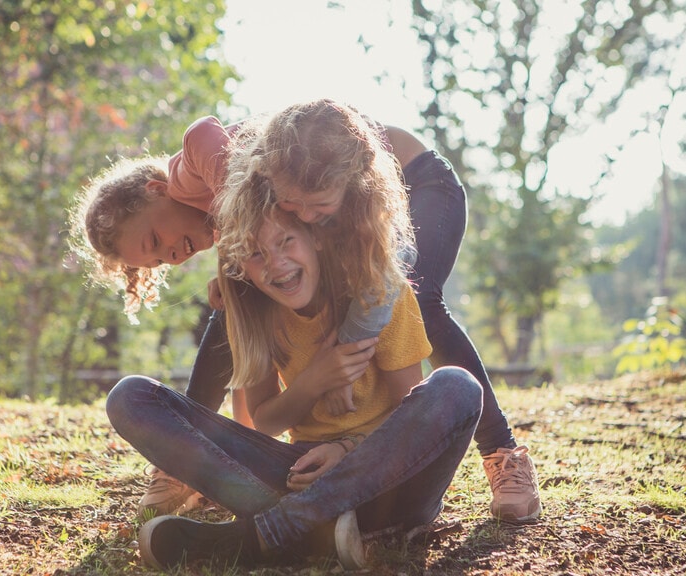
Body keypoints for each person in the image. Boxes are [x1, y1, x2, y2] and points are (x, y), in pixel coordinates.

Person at [71, 99, 540, 522]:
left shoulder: (195, 161)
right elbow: (254, 348)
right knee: (233, 309)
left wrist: (340, 363)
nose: (170, 257)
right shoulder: (266, 228)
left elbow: (211, 146)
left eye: (156, 240)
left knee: (416, 296)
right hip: (337, 202)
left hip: (414, 181)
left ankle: (503, 453)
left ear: (157, 190)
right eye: (155, 261)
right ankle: (185, 465)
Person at [104, 200, 483, 570]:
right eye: (255, 255)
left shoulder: (378, 293)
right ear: (242, 268)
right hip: (299, 473)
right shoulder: (256, 313)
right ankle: (317, 528)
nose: (276, 264)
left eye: (286, 242)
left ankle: (275, 530)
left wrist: (348, 449)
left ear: (316, 238)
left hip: (393, 486)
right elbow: (266, 420)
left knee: (457, 387)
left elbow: (411, 422)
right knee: (130, 396)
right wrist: (313, 382)